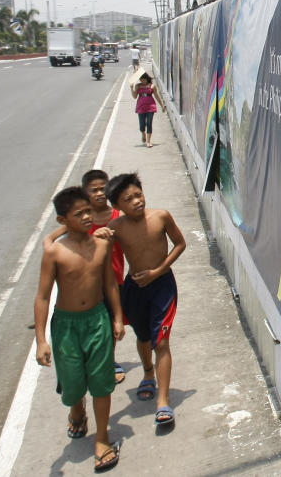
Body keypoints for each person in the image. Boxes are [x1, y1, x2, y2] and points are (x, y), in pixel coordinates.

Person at [35, 187, 124, 472]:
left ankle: (102, 438)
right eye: (79, 214)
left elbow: (109, 282)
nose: (87, 217)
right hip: (66, 325)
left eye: (88, 211)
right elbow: (43, 297)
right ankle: (76, 409)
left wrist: (118, 317)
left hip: (97, 319)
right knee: (72, 386)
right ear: (63, 220)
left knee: (101, 381)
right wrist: (41, 341)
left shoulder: (100, 243)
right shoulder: (55, 252)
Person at [106, 173, 186, 427]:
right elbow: (102, 256)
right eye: (127, 200)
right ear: (117, 207)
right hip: (135, 287)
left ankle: (163, 401)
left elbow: (180, 244)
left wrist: (158, 271)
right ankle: (148, 373)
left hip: (162, 286)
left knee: (161, 341)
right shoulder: (116, 228)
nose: (136, 202)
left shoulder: (161, 216)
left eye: (138, 195)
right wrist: (100, 238)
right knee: (143, 337)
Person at [42, 170, 128, 384]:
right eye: (94, 190)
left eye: (103, 189)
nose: (100, 194)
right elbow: (51, 240)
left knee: (109, 326)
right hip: (88, 287)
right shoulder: (80, 222)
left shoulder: (118, 216)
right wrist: (49, 245)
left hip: (114, 281)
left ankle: (109, 360)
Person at [132, 72, 165, 148]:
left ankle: (148, 141)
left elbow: (157, 96)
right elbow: (134, 96)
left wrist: (162, 106)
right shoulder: (138, 86)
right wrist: (131, 88)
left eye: (144, 80)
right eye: (141, 80)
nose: (142, 81)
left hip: (150, 106)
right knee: (142, 124)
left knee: (149, 123)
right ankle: (143, 133)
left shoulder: (152, 86)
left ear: (147, 79)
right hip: (140, 107)